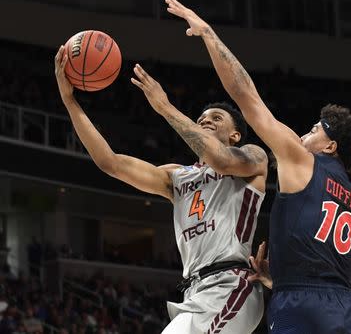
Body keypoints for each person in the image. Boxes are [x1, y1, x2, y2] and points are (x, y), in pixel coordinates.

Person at [166, 0, 351, 333]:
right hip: (344, 305)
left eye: (315, 130)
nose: (306, 133)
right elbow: (339, 265)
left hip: (299, 301)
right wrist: (279, 276)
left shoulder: (300, 158)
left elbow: (245, 95)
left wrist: (207, 33)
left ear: (331, 146)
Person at [54, 46, 268, 334]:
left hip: (232, 285)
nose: (205, 120)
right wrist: (69, 101)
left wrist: (164, 107)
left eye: (216, 118)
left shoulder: (252, 157)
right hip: (195, 291)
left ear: (235, 135)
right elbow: (110, 163)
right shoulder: (177, 177)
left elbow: (220, 159)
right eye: (202, 118)